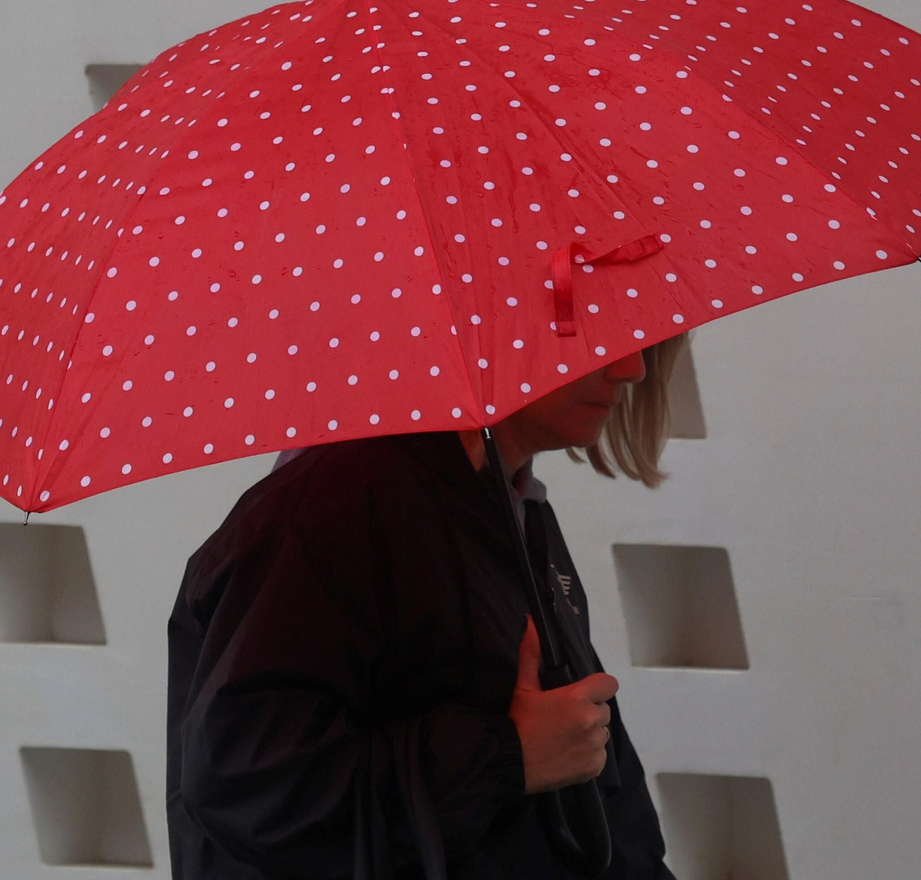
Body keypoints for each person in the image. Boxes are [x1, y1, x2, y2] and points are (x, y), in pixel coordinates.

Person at [166, 333, 690, 879]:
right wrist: (506, 757)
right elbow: (249, 786)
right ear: (478, 325)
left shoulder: (512, 506)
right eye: (588, 332)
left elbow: (596, 782)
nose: (632, 369)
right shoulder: (328, 515)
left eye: (642, 340)